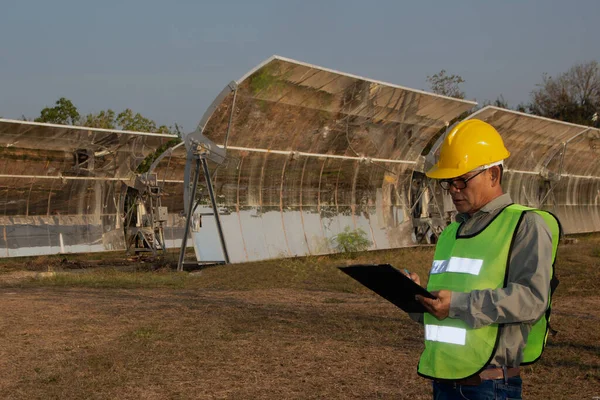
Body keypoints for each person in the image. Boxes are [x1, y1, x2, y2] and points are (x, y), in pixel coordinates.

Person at [406, 119, 561, 400]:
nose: (454, 189)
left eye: (461, 180)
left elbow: (532, 300)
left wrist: (457, 303)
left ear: (493, 175)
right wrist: (416, 298)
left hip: (488, 387)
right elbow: (445, 311)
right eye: (448, 183)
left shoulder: (526, 225)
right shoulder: (451, 233)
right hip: (444, 381)